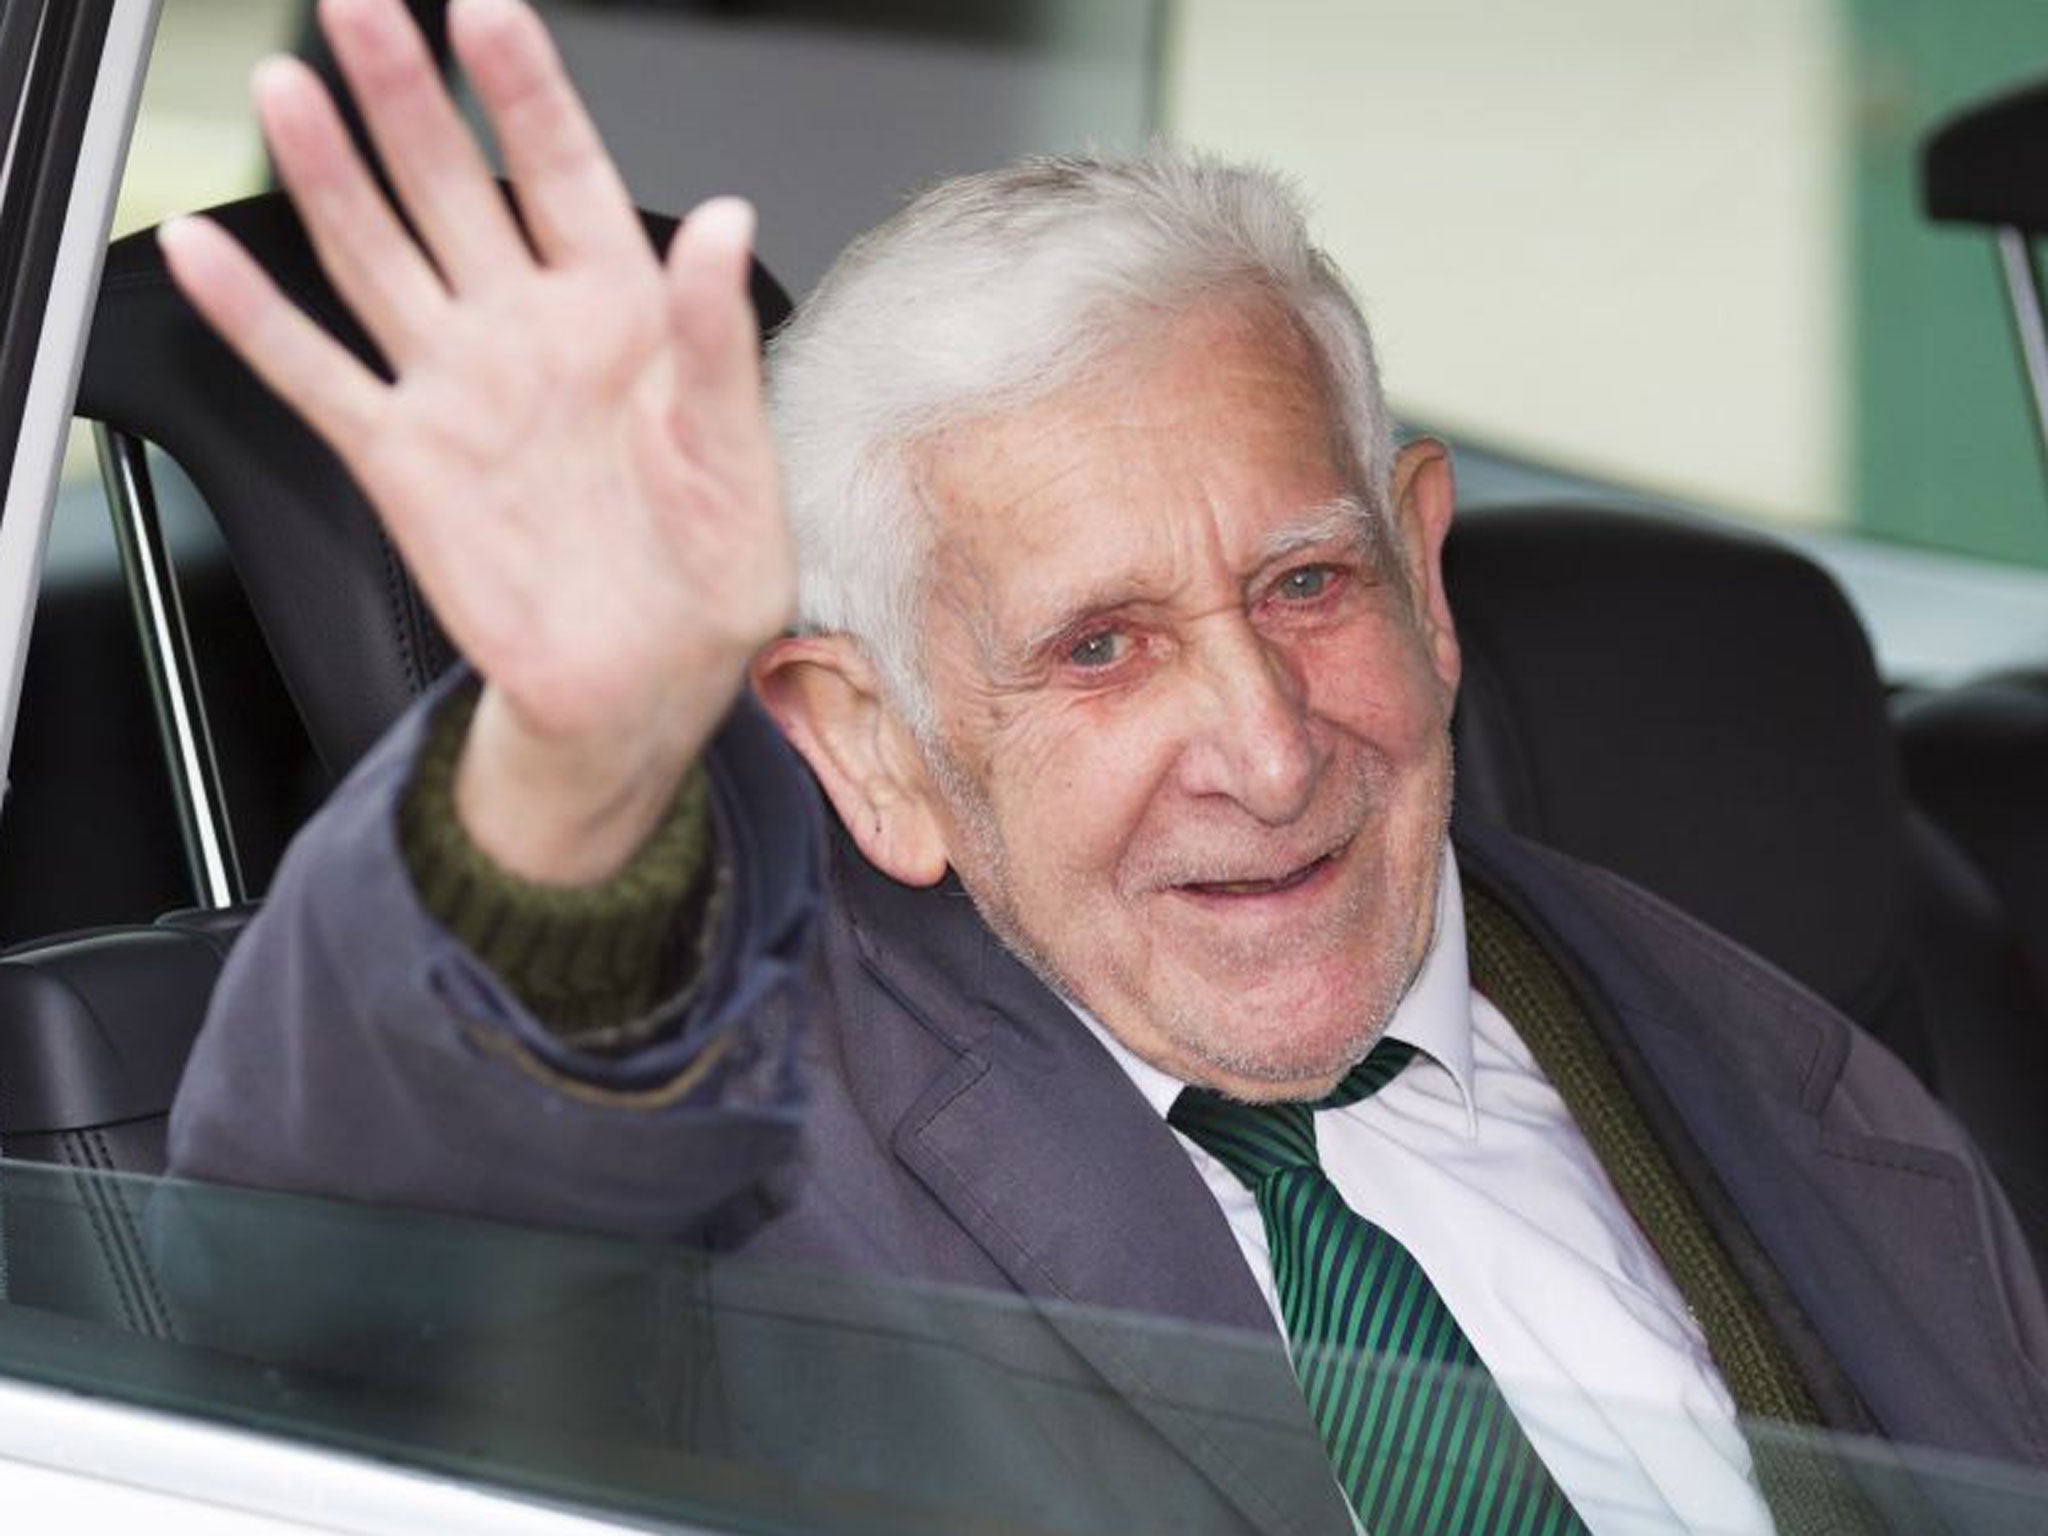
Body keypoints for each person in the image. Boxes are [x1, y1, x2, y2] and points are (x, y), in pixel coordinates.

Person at [159, 0, 2048, 1531]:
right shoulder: (740, 1171)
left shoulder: (1808, 1095)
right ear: (869, 750)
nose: (1263, 741)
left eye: (1307, 582)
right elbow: (343, 1261)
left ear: (1425, 568)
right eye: (1098, 647)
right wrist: (570, 771)